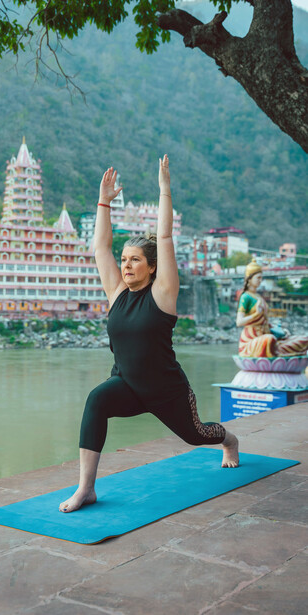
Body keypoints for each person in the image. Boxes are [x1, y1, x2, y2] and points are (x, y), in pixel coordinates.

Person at [59, 156, 239, 513]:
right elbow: (100, 248)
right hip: (126, 384)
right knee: (96, 400)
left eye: (135, 260)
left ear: (151, 267)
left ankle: (230, 440)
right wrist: (103, 201)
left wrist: (164, 190)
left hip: (166, 389)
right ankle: (86, 489)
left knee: (195, 435)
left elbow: (166, 236)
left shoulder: (163, 294)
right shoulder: (116, 293)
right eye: (124, 260)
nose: (125, 265)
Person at [236, 259, 308, 357]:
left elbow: (265, 322)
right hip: (252, 340)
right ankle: (279, 355)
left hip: (266, 336)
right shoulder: (245, 296)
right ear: (249, 278)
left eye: (261, 278)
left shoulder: (259, 297)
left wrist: (280, 331)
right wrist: (256, 315)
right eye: (258, 278)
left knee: (304, 339)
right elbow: (239, 322)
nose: (260, 281)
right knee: (270, 339)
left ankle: (280, 353)